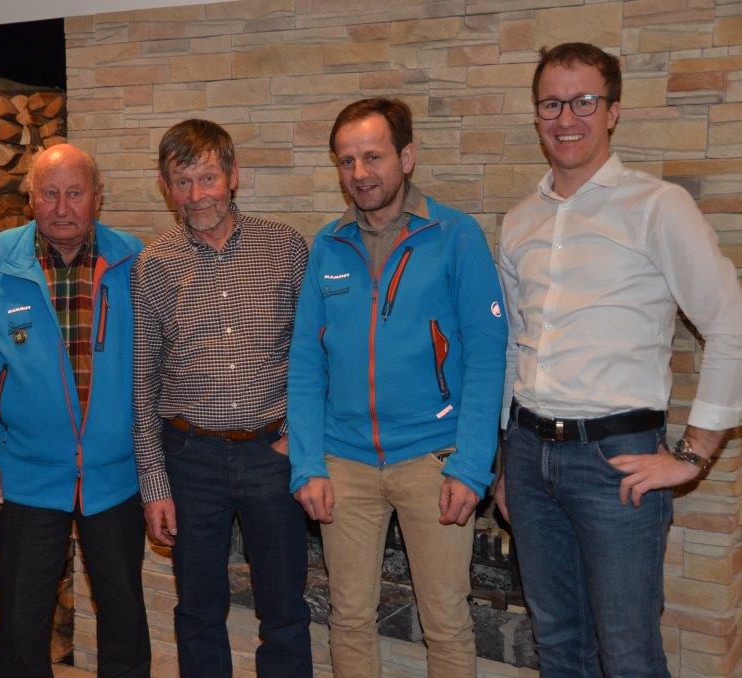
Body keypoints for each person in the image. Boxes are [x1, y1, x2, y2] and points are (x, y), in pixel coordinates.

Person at [496, 42, 742, 677]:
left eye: (584, 101)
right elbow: (514, 346)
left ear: (612, 112)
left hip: (617, 462)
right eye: (551, 103)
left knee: (629, 653)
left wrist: (693, 454)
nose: (566, 118)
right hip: (527, 455)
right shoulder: (519, 222)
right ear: (536, 114)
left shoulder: (657, 206)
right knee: (557, 645)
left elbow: (730, 325)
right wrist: (507, 463)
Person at [288, 97, 507, 678]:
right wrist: (307, 463)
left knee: (446, 622)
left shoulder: (455, 235)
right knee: (348, 619)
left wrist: (472, 465)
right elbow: (306, 362)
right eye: (346, 161)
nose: (359, 173)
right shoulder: (328, 245)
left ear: (406, 158)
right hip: (344, 464)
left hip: (433, 463)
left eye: (373, 157)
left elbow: (487, 357)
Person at [0, 144, 150, 678]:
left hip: (115, 476)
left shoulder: (133, 259)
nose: (62, 207)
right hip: (25, 474)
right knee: (22, 621)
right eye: (49, 193)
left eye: (75, 193)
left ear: (98, 197)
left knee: (125, 617)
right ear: (30, 198)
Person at [133, 119, 312, 677]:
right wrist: (155, 485)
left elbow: (315, 355)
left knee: (284, 610)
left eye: (207, 178)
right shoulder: (154, 264)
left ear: (233, 176)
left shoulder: (285, 247)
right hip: (191, 459)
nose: (196, 196)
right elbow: (143, 381)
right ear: (167, 188)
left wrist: (299, 439)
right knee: (197, 610)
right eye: (182, 182)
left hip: (272, 454)